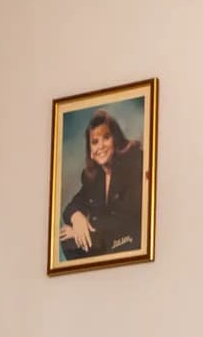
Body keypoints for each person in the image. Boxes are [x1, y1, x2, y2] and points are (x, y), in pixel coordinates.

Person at [57, 108, 144, 260]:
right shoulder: (93, 178)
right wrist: (77, 218)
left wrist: (87, 231)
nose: (101, 146)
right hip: (103, 242)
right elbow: (71, 207)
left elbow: (127, 218)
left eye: (106, 137)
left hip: (129, 243)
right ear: (90, 151)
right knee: (67, 239)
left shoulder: (135, 162)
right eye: (95, 142)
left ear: (116, 140)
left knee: (76, 238)